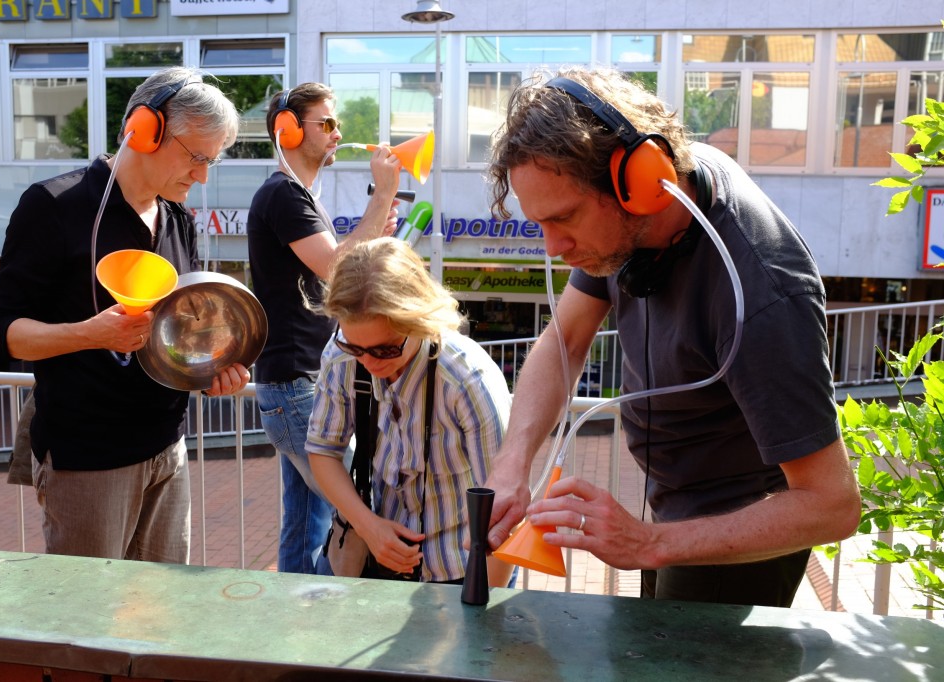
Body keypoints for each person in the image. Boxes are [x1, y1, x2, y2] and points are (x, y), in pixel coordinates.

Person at [482, 66, 861, 607]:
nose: (552, 247)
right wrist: (512, 463)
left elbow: (832, 505)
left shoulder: (762, 291)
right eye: (540, 223)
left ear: (640, 183)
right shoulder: (641, 205)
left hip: (742, 523)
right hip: (666, 509)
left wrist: (649, 544)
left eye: (563, 218)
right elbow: (565, 340)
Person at [0, 66, 251, 563]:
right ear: (143, 130)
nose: (202, 176)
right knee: (90, 608)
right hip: (89, 458)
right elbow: (1, 332)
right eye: (196, 157)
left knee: (162, 606)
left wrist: (210, 369)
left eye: (211, 161)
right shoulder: (54, 205)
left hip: (169, 449)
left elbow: (179, 330)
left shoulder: (177, 218)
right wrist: (90, 334)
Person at [248, 82, 402, 574]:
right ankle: (328, 608)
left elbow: (339, 264)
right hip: (295, 385)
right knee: (359, 511)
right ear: (288, 129)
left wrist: (373, 229)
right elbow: (337, 268)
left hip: (296, 383)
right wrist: (382, 195)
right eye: (328, 123)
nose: (338, 133)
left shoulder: (297, 197)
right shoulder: (282, 194)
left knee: (307, 525)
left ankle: (299, 612)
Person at [306, 237, 514, 584]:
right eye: (355, 347)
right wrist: (368, 526)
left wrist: (483, 603)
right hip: (380, 567)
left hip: (463, 571)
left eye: (385, 350)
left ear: (420, 320)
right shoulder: (342, 357)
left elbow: (501, 514)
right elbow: (323, 451)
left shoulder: (465, 379)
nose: (369, 362)